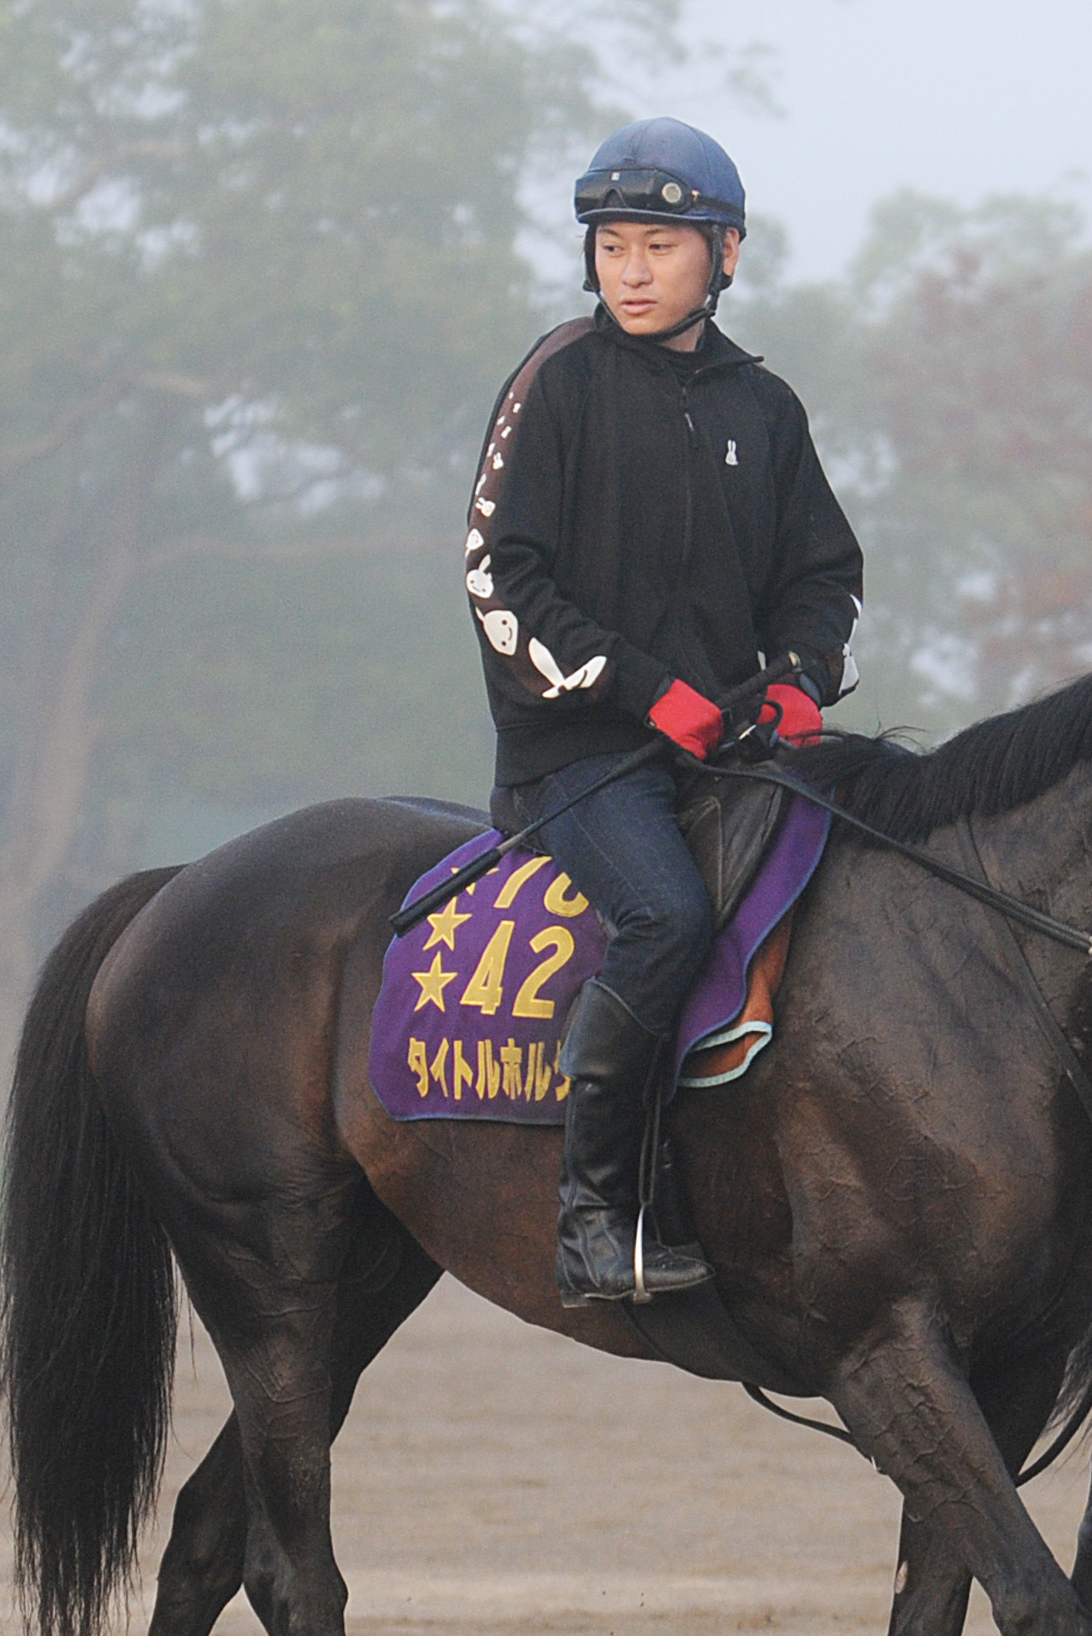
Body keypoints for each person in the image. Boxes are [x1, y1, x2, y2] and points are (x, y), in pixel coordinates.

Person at [467, 117, 864, 1302]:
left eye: (658, 247)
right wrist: (651, 694)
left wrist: (797, 678)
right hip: (581, 756)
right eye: (612, 247)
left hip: (733, 749)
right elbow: (502, 579)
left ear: (725, 255)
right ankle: (595, 1219)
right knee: (667, 917)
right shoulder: (561, 382)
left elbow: (823, 571)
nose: (629, 272)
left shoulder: (767, 407)